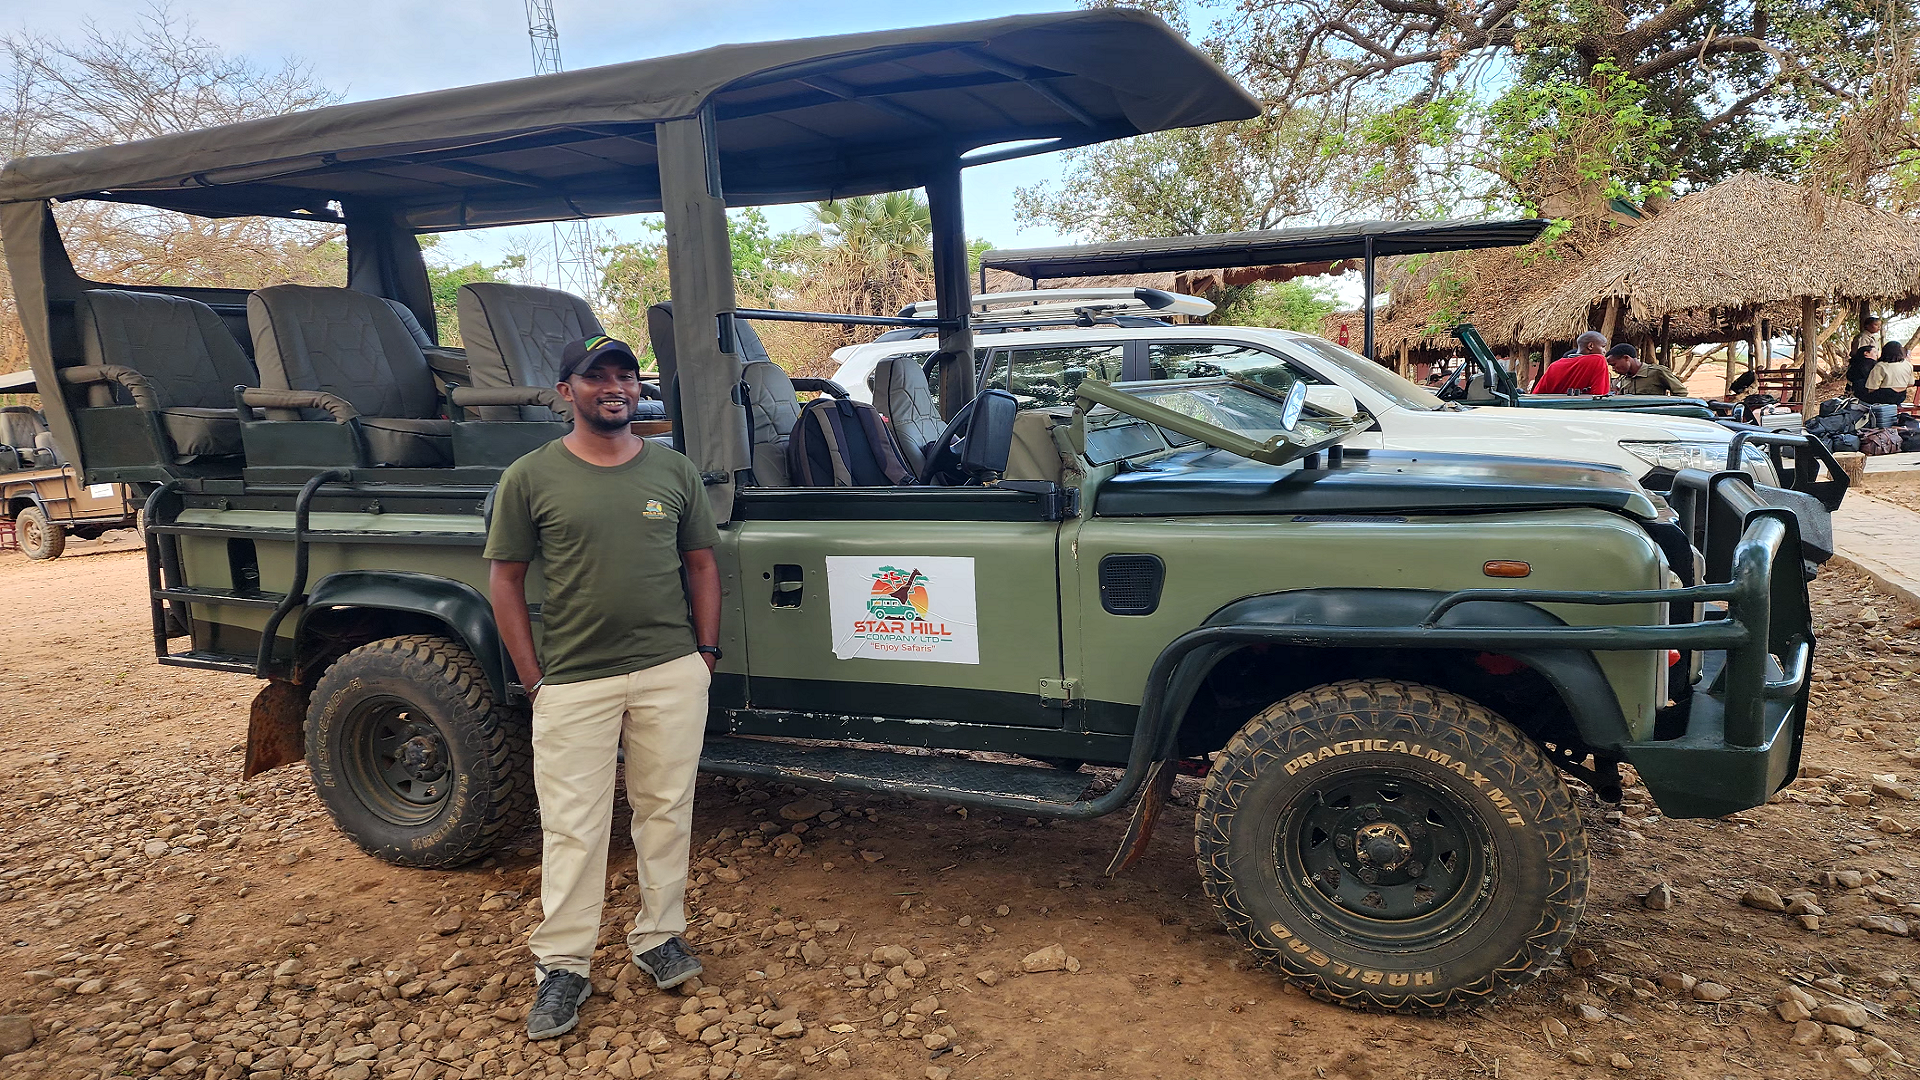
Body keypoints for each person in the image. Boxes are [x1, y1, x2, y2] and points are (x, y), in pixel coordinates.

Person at [485, 335, 723, 1041]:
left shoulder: (673, 470)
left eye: (625, 375)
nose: (614, 387)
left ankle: (660, 937)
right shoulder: (531, 476)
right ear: (567, 391)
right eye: (597, 377)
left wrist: (704, 655)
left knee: (665, 810)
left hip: (670, 672)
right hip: (574, 682)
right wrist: (534, 678)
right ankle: (563, 966)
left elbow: (702, 565)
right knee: (574, 825)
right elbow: (505, 579)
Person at [1533, 331, 1612, 395]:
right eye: (1603, 347)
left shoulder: (1554, 365)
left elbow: (1537, 394)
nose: (1604, 351)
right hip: (1583, 408)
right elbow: (1600, 394)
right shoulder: (1598, 360)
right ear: (1590, 346)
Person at [1606, 343, 1688, 395]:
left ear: (1626, 358)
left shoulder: (1657, 372)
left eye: (1614, 364)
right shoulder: (1623, 380)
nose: (1613, 369)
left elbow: (1681, 393)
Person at [1863, 339, 1914, 405]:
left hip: (1884, 397)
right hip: (1901, 396)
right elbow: (1911, 383)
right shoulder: (1907, 364)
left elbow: (1872, 387)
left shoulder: (1880, 366)